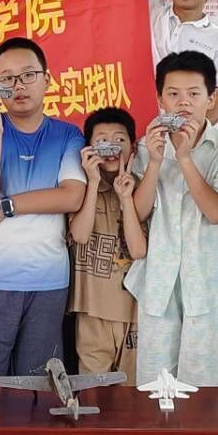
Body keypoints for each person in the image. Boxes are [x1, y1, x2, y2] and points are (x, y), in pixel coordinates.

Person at [0, 37, 89, 384]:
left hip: (49, 281)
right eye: (7, 78)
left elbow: (71, 197)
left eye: (28, 75)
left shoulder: (67, 135)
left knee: (38, 386)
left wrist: (7, 206)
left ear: (47, 79)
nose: (18, 85)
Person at [128, 52, 218, 385]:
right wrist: (154, 161)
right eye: (173, 94)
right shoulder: (146, 146)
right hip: (158, 281)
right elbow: (138, 212)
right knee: (155, 385)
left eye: (194, 93)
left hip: (209, 283)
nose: (183, 103)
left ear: (211, 99)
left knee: (207, 390)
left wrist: (185, 158)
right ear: (160, 99)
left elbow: (217, 212)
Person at [67, 107, 147, 379]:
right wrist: (92, 182)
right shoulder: (78, 187)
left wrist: (126, 198)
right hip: (92, 309)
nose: (111, 146)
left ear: (133, 147)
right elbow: (80, 235)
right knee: (92, 390)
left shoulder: (143, 190)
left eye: (119, 139)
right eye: (102, 140)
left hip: (135, 312)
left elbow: (138, 250)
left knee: (132, 391)